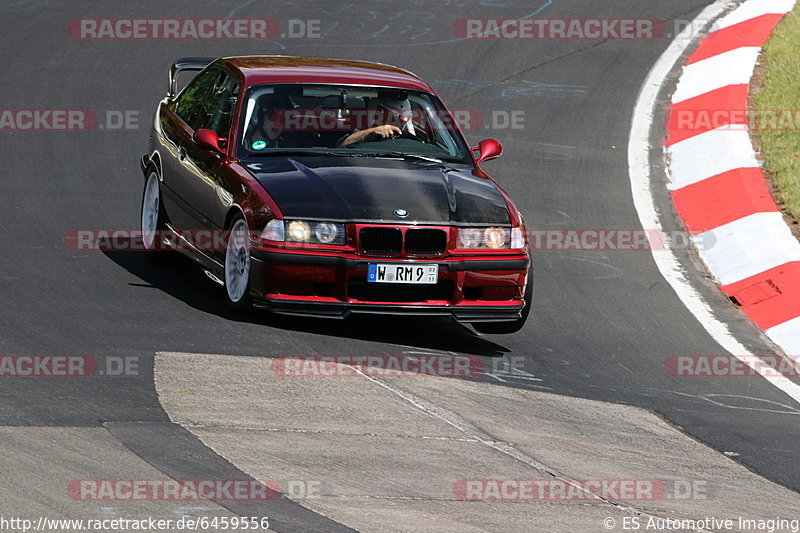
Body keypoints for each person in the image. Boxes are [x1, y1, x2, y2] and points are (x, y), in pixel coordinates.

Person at [336, 92, 417, 147]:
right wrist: (372, 132)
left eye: (402, 120)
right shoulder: (358, 126)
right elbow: (340, 145)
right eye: (394, 118)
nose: (398, 123)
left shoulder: (407, 137)